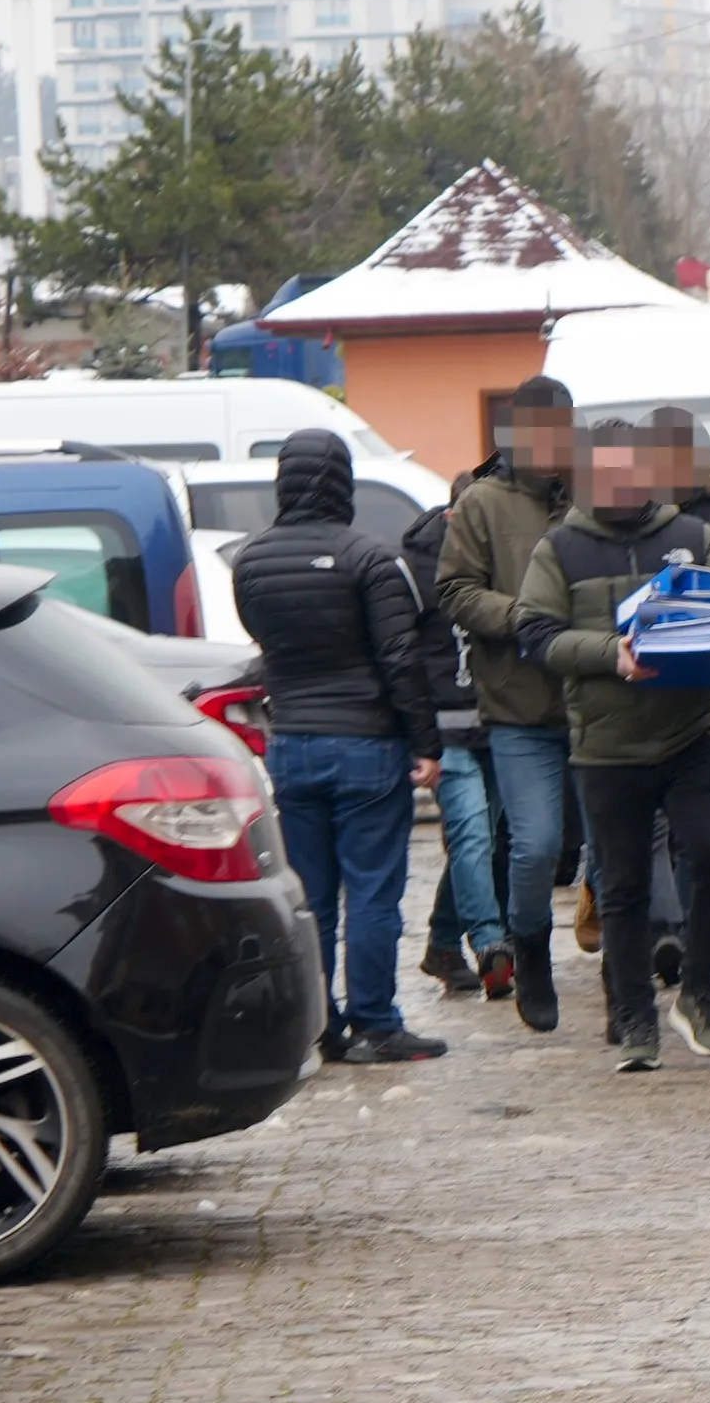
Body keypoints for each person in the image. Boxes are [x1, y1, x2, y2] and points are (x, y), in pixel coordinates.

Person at [516, 413, 710, 1071]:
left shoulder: (693, 535)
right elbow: (535, 633)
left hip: (690, 734)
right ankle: (635, 1018)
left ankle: (698, 993)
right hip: (606, 745)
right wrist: (609, 653)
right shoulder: (559, 549)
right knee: (621, 888)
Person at [231, 428, 446, 1065]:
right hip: (366, 746)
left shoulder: (251, 560)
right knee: (374, 894)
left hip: (291, 744)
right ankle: (378, 1022)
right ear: (343, 481)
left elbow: (267, 647)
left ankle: (320, 1026)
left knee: (313, 898)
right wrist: (425, 742)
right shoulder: (370, 559)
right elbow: (400, 658)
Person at [437, 378, 575, 1032]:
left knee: (622, 848)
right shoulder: (483, 504)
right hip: (519, 707)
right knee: (535, 845)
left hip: (598, 700)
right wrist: (523, 617)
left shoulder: (591, 497)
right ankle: (532, 953)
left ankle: (627, 987)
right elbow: (456, 591)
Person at [401, 482, 513, 1002]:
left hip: (500, 723)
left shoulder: (508, 558)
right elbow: (402, 657)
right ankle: (491, 944)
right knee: (472, 837)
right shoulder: (415, 569)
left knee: (481, 841)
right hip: (447, 731)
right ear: (453, 515)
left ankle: (443, 945)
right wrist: (418, 739)